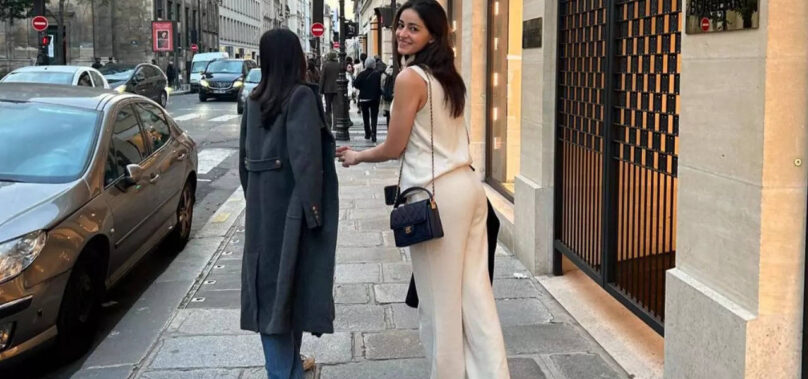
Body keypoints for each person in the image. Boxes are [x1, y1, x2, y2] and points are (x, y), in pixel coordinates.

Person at [336, 0, 510, 377]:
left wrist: (357, 157)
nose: (402, 33)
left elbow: (395, 146)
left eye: (413, 28)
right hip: (468, 189)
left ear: (433, 34)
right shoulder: (449, 77)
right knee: (475, 295)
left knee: (440, 304)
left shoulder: (410, 78)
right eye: (400, 25)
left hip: (437, 196)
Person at [239, 28, 338, 379]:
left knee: (273, 294)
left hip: (263, 215)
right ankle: (284, 372)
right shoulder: (300, 98)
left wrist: (259, 200)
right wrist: (314, 214)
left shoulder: (253, 99)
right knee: (288, 292)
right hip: (294, 214)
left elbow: (244, 164)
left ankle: (290, 365)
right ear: (295, 56)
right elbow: (307, 162)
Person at [353, 57, 382, 142]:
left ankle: (367, 133)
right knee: (374, 116)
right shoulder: (377, 74)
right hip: (374, 98)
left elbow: (356, 84)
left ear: (365, 64)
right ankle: (374, 134)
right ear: (374, 64)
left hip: (364, 98)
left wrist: (362, 87)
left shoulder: (361, 74)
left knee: (365, 117)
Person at [319, 52, 340, 129]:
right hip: (337, 89)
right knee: (336, 107)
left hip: (327, 89)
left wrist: (320, 90)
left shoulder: (325, 65)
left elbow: (322, 78)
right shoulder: (338, 65)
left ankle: (329, 124)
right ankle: (335, 125)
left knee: (328, 108)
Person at [380, 61, 395, 126]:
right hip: (394, 96)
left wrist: (385, 92)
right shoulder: (398, 72)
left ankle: (389, 128)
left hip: (387, 97)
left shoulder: (385, 74)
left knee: (388, 114)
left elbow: (382, 85)